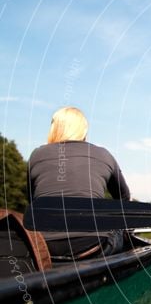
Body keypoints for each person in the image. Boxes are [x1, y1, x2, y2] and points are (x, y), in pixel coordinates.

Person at [27, 106, 131, 258]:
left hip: (43, 246)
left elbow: (32, 201)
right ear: (84, 131)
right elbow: (124, 199)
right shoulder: (103, 154)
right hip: (95, 245)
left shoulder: (36, 155)